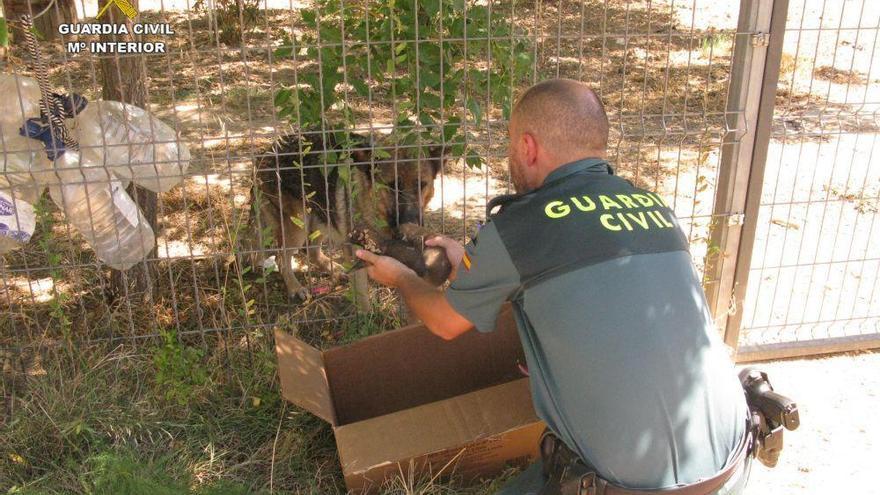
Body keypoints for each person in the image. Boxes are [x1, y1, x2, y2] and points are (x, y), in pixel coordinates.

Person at [355, 78, 750, 495]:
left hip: (632, 486)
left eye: (509, 147)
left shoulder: (519, 227)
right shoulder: (655, 208)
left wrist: (399, 276)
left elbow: (442, 322)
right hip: (733, 463)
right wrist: (473, 265)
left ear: (527, 147)